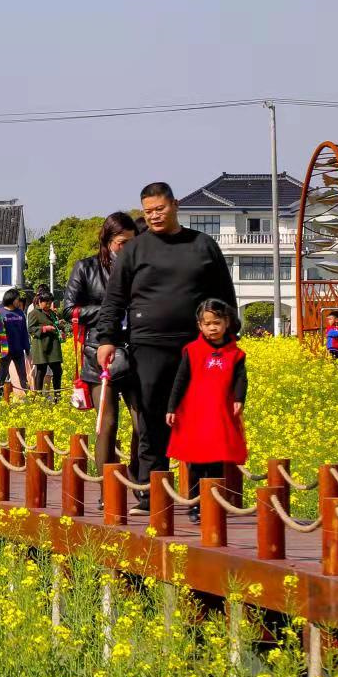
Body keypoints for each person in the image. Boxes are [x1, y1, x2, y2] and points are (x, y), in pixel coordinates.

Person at [97, 182, 237, 510]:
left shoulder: (203, 245)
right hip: (148, 346)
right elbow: (114, 299)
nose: (155, 216)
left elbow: (225, 296)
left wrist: (229, 339)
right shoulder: (134, 250)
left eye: (160, 209)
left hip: (198, 347)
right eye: (148, 211)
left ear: (175, 205)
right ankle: (151, 494)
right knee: (151, 422)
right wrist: (107, 340)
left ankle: (204, 499)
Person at [63, 212, 139, 467]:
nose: (127, 249)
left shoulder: (141, 268)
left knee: (143, 423)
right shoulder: (86, 267)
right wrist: (109, 310)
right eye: (121, 243)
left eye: (132, 243)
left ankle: (140, 479)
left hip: (136, 352)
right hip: (99, 353)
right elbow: (69, 310)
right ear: (107, 240)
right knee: (107, 423)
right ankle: (107, 483)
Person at [167, 299, 248, 522]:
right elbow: (180, 380)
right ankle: (195, 505)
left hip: (219, 414)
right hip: (195, 414)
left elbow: (241, 379)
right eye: (207, 323)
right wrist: (172, 407)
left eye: (217, 323)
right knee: (195, 461)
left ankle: (213, 504)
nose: (212, 328)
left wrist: (239, 398)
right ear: (200, 326)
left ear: (226, 323)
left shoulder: (236, 353)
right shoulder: (192, 351)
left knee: (216, 461)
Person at [28, 291, 65, 397]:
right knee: (41, 371)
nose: (48, 305)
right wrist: (44, 328)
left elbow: (54, 325)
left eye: (50, 303)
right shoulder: (34, 313)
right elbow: (31, 328)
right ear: (40, 301)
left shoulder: (52, 313)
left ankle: (57, 396)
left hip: (53, 346)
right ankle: (38, 396)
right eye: (46, 303)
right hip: (41, 346)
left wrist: (60, 325)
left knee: (57, 371)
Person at [0, 290, 30, 396]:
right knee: (2, 374)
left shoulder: (20, 313)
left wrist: (27, 348)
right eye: (17, 299)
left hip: (18, 349)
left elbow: (24, 331)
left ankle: (29, 397)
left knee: (23, 375)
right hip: (6, 349)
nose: (19, 301)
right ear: (11, 299)